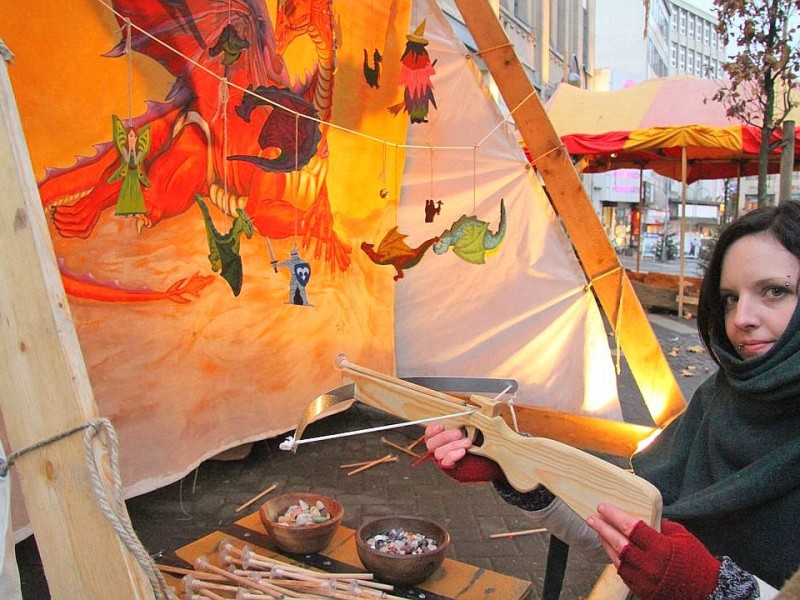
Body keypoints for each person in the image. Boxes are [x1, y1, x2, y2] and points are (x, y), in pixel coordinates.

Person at [425, 202, 800, 599]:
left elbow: (689, 576)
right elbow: (621, 535)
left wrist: (717, 589)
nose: (741, 317)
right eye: (729, 298)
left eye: (775, 291)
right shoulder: (718, 401)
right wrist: (514, 469)